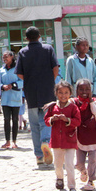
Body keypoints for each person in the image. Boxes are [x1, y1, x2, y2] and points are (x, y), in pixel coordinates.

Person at [16, 26, 59, 165]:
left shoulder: (22, 52)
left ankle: (39, 156)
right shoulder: (48, 49)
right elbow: (55, 68)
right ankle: (45, 141)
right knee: (47, 119)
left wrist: (30, 80)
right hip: (47, 91)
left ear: (26, 38)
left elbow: (19, 73)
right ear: (39, 36)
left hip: (31, 92)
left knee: (34, 125)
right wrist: (50, 80)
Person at [44, 81, 81, 191]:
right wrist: (52, 119)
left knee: (69, 164)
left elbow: (78, 121)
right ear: (56, 93)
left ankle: (72, 187)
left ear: (70, 93)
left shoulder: (73, 107)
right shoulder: (53, 107)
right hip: (57, 141)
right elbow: (46, 120)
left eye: (66, 92)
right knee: (58, 164)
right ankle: (59, 178)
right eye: (60, 92)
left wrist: (67, 120)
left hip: (70, 140)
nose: (63, 95)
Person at [73, 79, 96, 191]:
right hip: (80, 134)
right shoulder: (74, 102)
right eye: (81, 89)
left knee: (92, 160)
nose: (84, 92)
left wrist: (90, 101)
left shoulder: (93, 102)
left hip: (92, 134)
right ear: (77, 91)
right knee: (79, 162)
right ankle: (83, 170)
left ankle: (91, 180)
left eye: (87, 89)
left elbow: (95, 112)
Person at [0, 51, 24, 149]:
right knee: (6, 119)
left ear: (12, 57)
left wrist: (13, 85)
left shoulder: (18, 69)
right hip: (5, 98)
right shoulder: (1, 70)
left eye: (6, 56)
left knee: (15, 119)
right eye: (3, 57)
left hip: (15, 97)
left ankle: (14, 141)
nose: (4, 59)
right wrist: (2, 86)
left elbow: (22, 81)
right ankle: (7, 141)